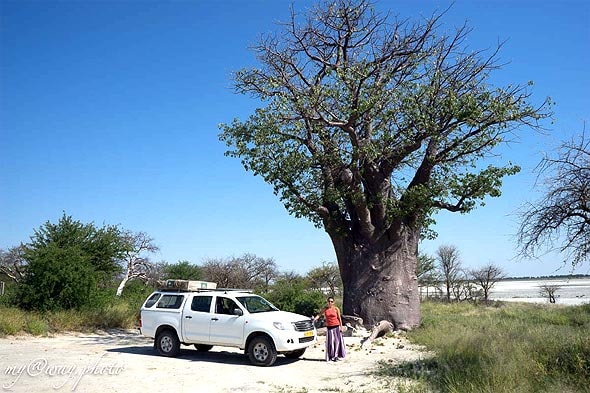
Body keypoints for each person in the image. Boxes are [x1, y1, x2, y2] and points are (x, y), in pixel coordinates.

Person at [313, 297, 346, 362]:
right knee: (330, 343)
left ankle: (336, 356)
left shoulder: (336, 309)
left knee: (337, 342)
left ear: (333, 302)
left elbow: (339, 318)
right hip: (329, 328)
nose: (330, 303)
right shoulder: (325, 309)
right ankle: (331, 356)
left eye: (331, 301)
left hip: (336, 327)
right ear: (327, 302)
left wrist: (341, 327)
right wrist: (314, 319)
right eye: (329, 301)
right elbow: (319, 315)